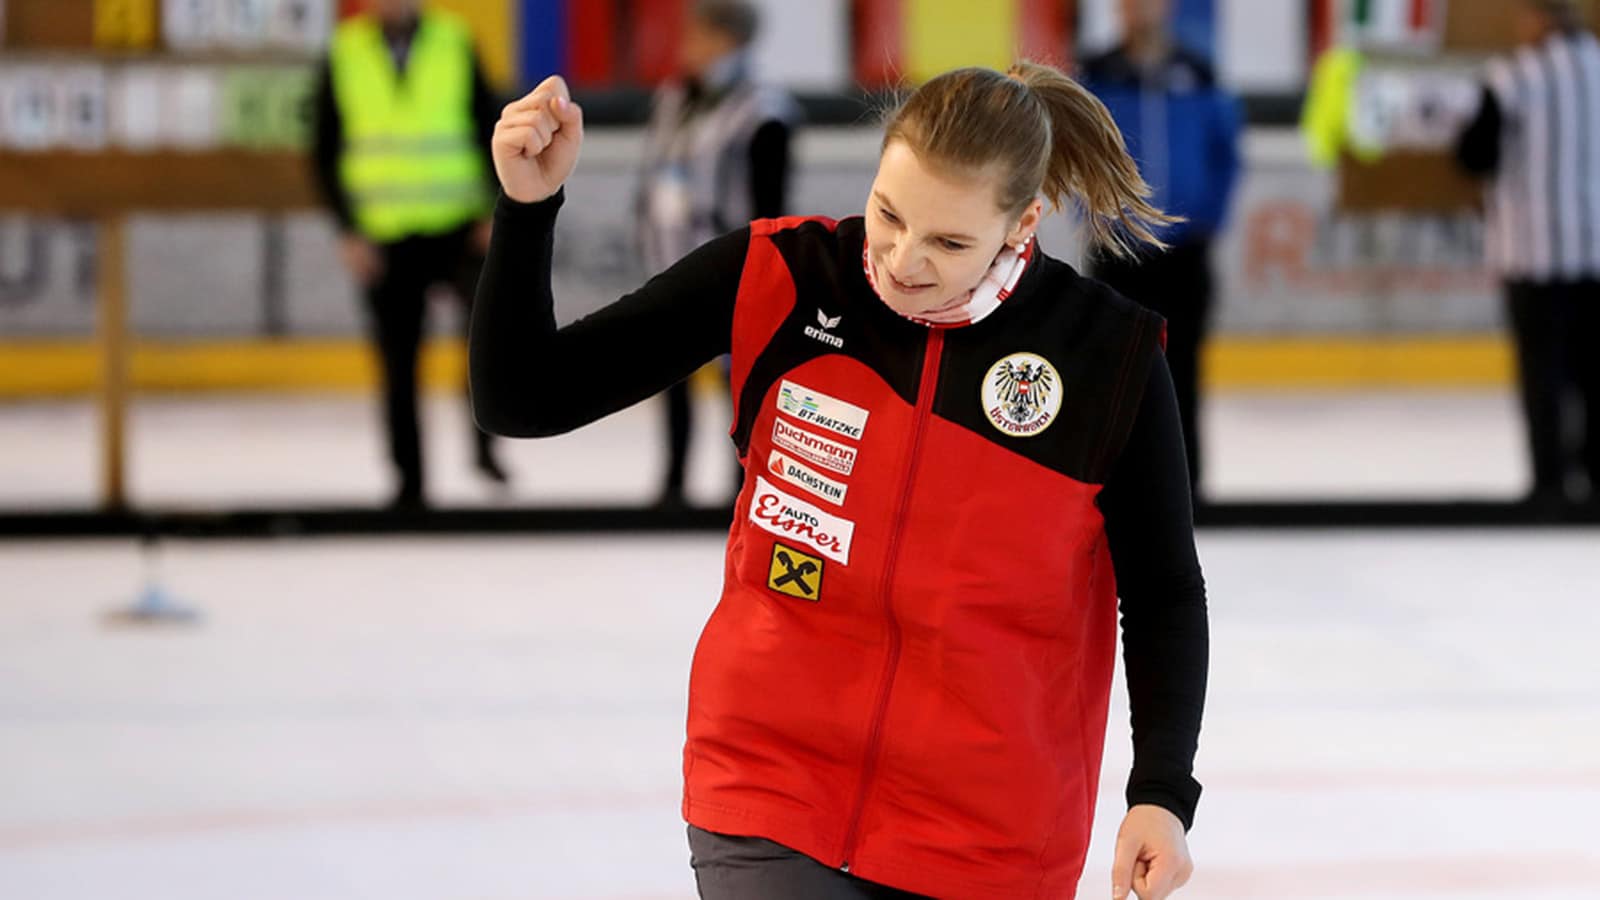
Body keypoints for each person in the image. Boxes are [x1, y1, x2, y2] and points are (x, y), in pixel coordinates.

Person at [473, 62, 1208, 900]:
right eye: (890, 216)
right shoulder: (782, 278)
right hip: (768, 787)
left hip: (991, 836)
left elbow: (1164, 592)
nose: (902, 260)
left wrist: (1161, 793)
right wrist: (527, 209)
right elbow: (521, 397)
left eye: (949, 242)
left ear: (1023, 222)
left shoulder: (1104, 360)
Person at [311, 0, 507, 509]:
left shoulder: (453, 40)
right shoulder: (344, 50)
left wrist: (495, 212)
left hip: (458, 227)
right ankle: (409, 482)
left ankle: (486, 448)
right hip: (384, 235)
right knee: (397, 366)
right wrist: (348, 230)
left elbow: (489, 124)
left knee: (487, 348)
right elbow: (324, 148)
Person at [1081, 0, 1242, 498]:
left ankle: (1187, 491)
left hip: (1183, 255)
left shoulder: (1198, 73)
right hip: (1119, 254)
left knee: (1182, 374)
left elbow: (1225, 154)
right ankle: (1116, 492)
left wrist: (1207, 219)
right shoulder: (1097, 75)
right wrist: (1098, 218)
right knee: (1115, 378)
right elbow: (1074, 152)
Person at [639, 0, 797, 508]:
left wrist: (758, 269)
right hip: (670, 263)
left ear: (728, 40)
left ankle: (742, 490)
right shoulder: (674, 97)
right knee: (670, 380)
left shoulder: (764, 111)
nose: (687, 46)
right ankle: (673, 485)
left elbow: (770, 205)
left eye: (698, 36)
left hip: (734, 273)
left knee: (739, 387)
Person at [1454, 0, 1600, 511]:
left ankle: (1549, 483)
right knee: (1592, 373)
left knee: (1543, 376)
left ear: (1540, 19)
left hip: (1533, 250)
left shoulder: (1513, 78)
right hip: (1596, 250)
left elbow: (1475, 155)